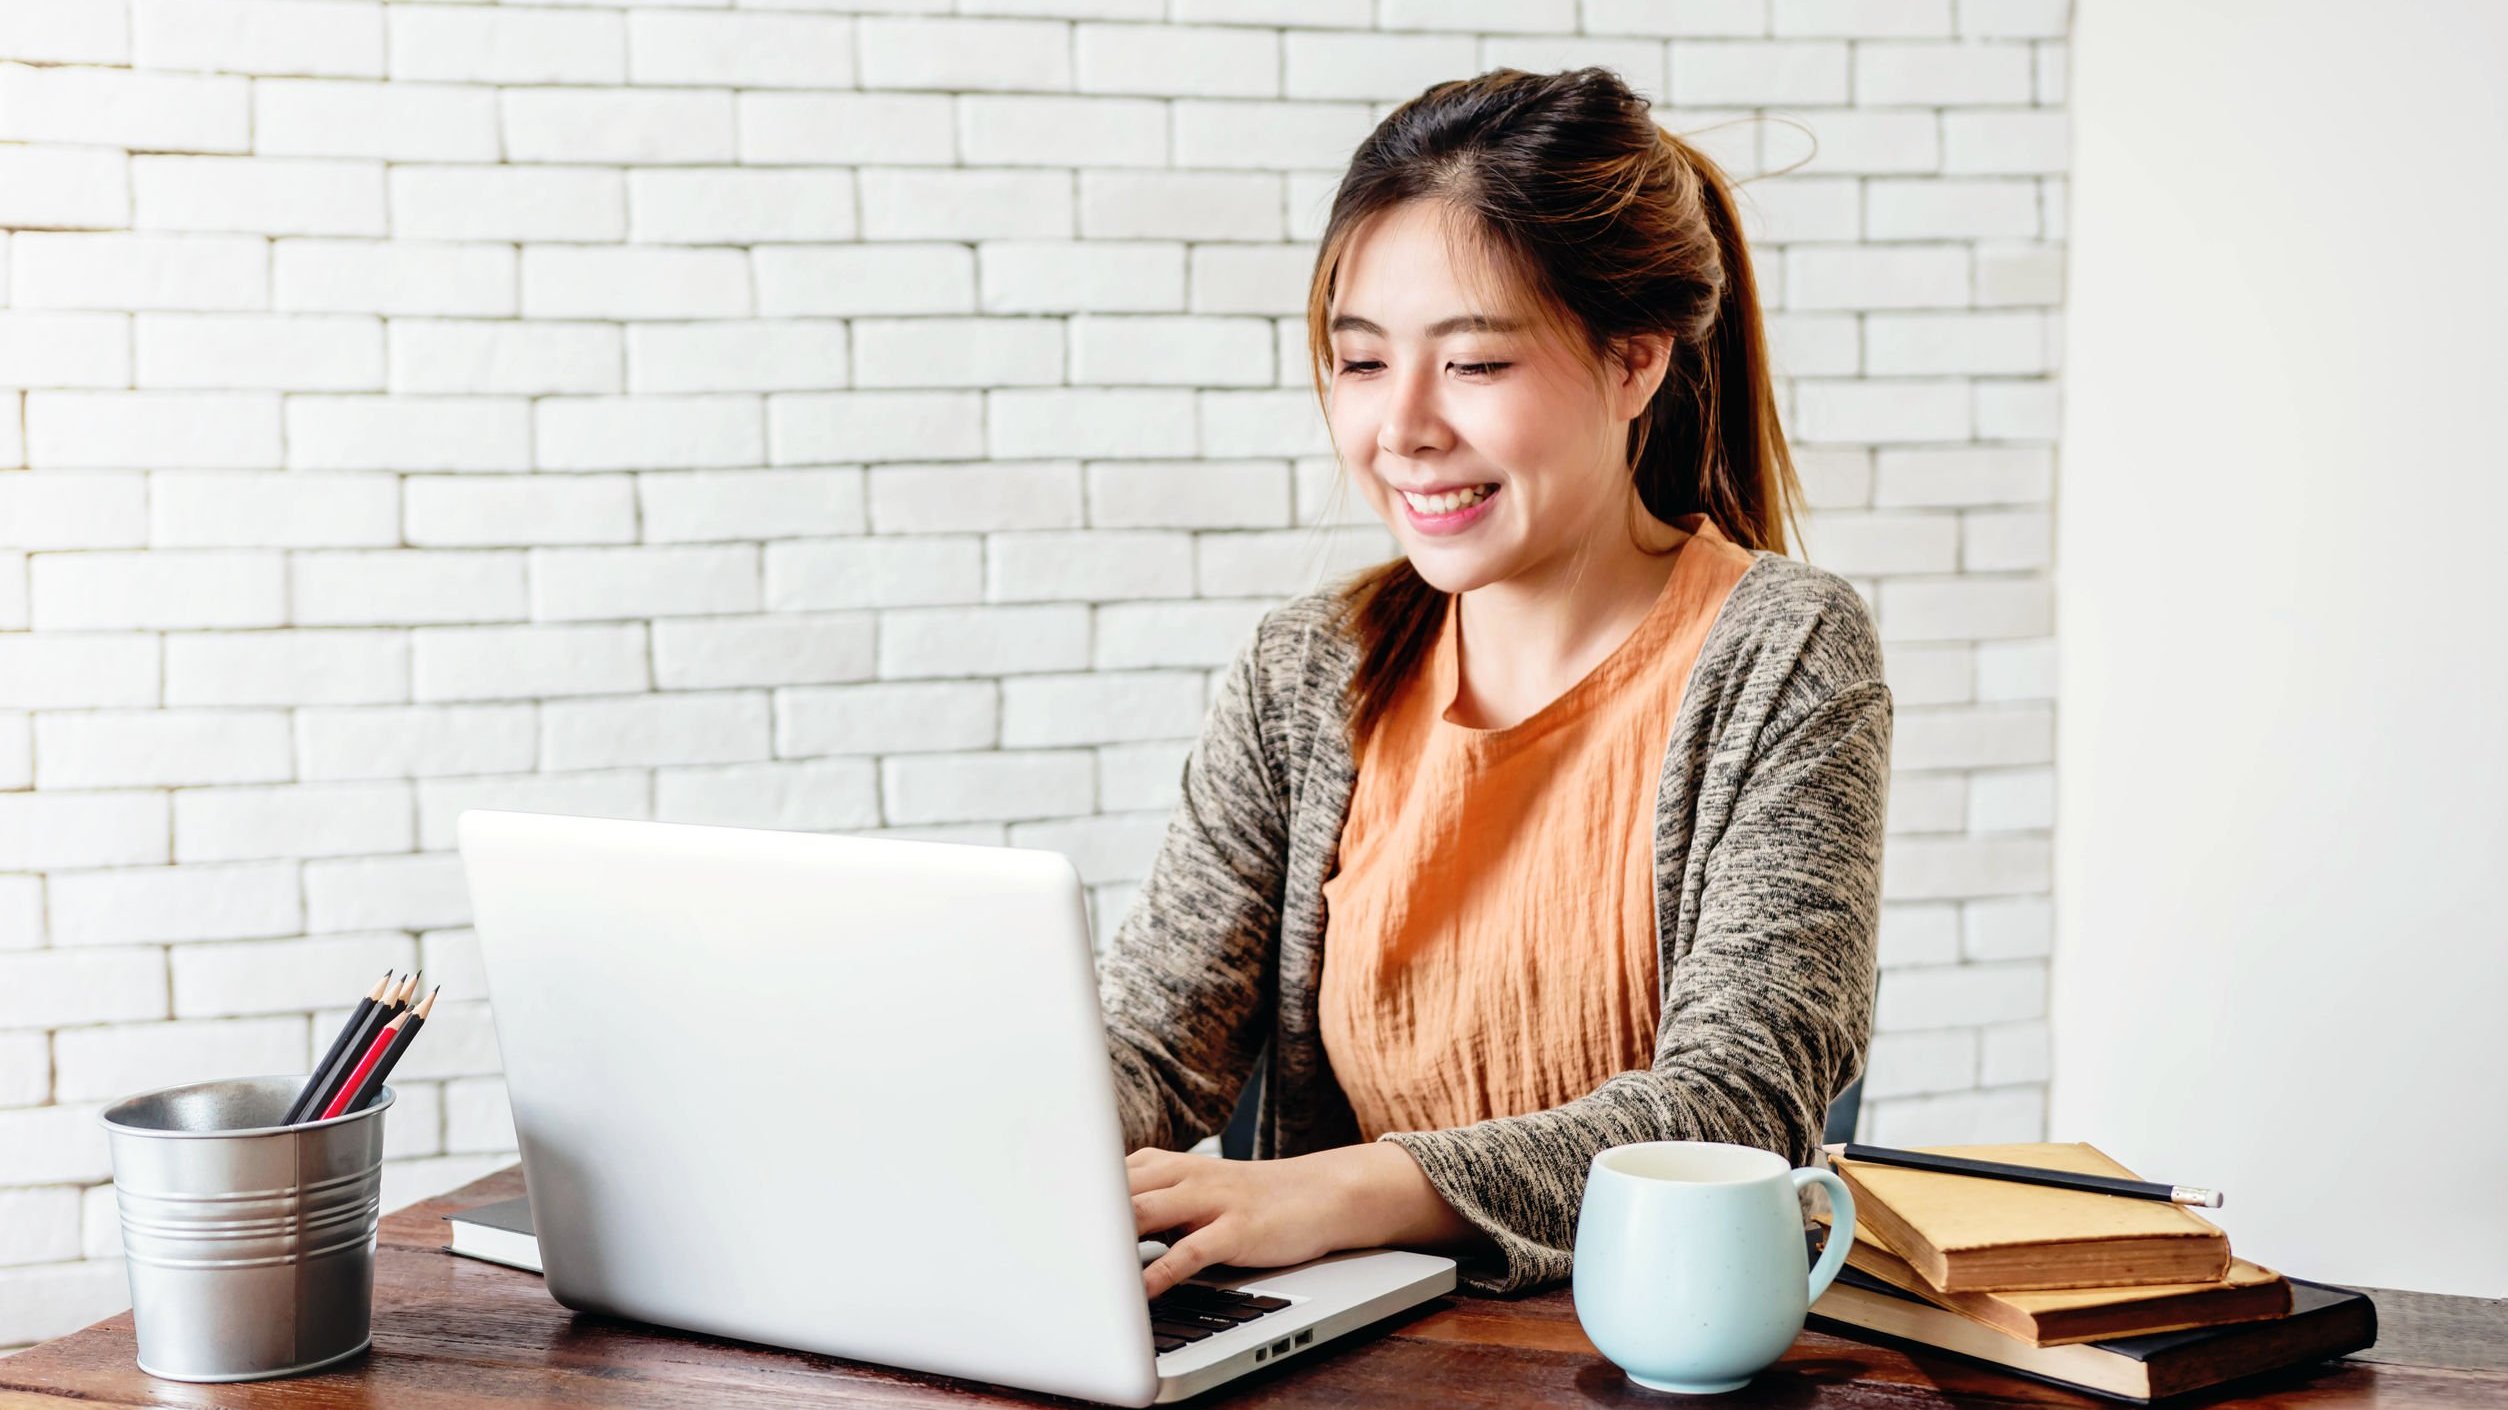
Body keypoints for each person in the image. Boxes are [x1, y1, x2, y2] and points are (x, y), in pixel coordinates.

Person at [1100, 67, 1893, 1300]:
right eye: (1360, 363)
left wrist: (1340, 1190)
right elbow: (1155, 1036)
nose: (1401, 428)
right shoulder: (1310, 668)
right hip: (1349, 1360)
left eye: (1472, 364)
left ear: (1635, 364)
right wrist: (992, 1138)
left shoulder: (1782, 653)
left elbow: (1731, 1110)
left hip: (1649, 1362)